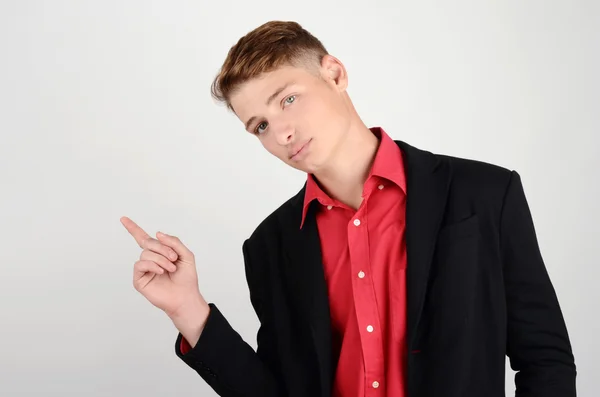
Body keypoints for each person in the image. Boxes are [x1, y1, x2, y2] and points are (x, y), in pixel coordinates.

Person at [120, 20, 576, 397]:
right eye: (259, 125)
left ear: (335, 73)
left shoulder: (484, 194)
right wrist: (188, 310)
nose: (280, 133)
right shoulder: (270, 246)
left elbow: (545, 360)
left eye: (288, 99)